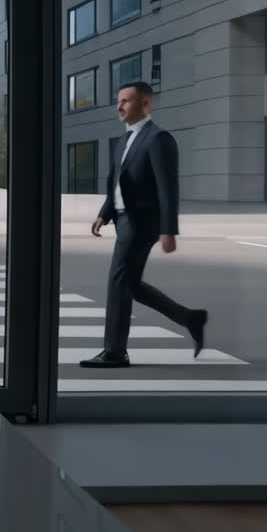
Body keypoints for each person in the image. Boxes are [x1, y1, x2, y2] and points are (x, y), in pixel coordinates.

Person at [81, 81, 207, 369]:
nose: (119, 106)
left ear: (145, 104)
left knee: (117, 282)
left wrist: (168, 230)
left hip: (142, 223)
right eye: (119, 101)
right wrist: (105, 212)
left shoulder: (159, 139)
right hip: (123, 220)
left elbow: (168, 188)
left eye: (126, 100)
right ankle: (190, 318)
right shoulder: (125, 140)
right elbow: (115, 180)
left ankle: (115, 352)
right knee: (130, 285)